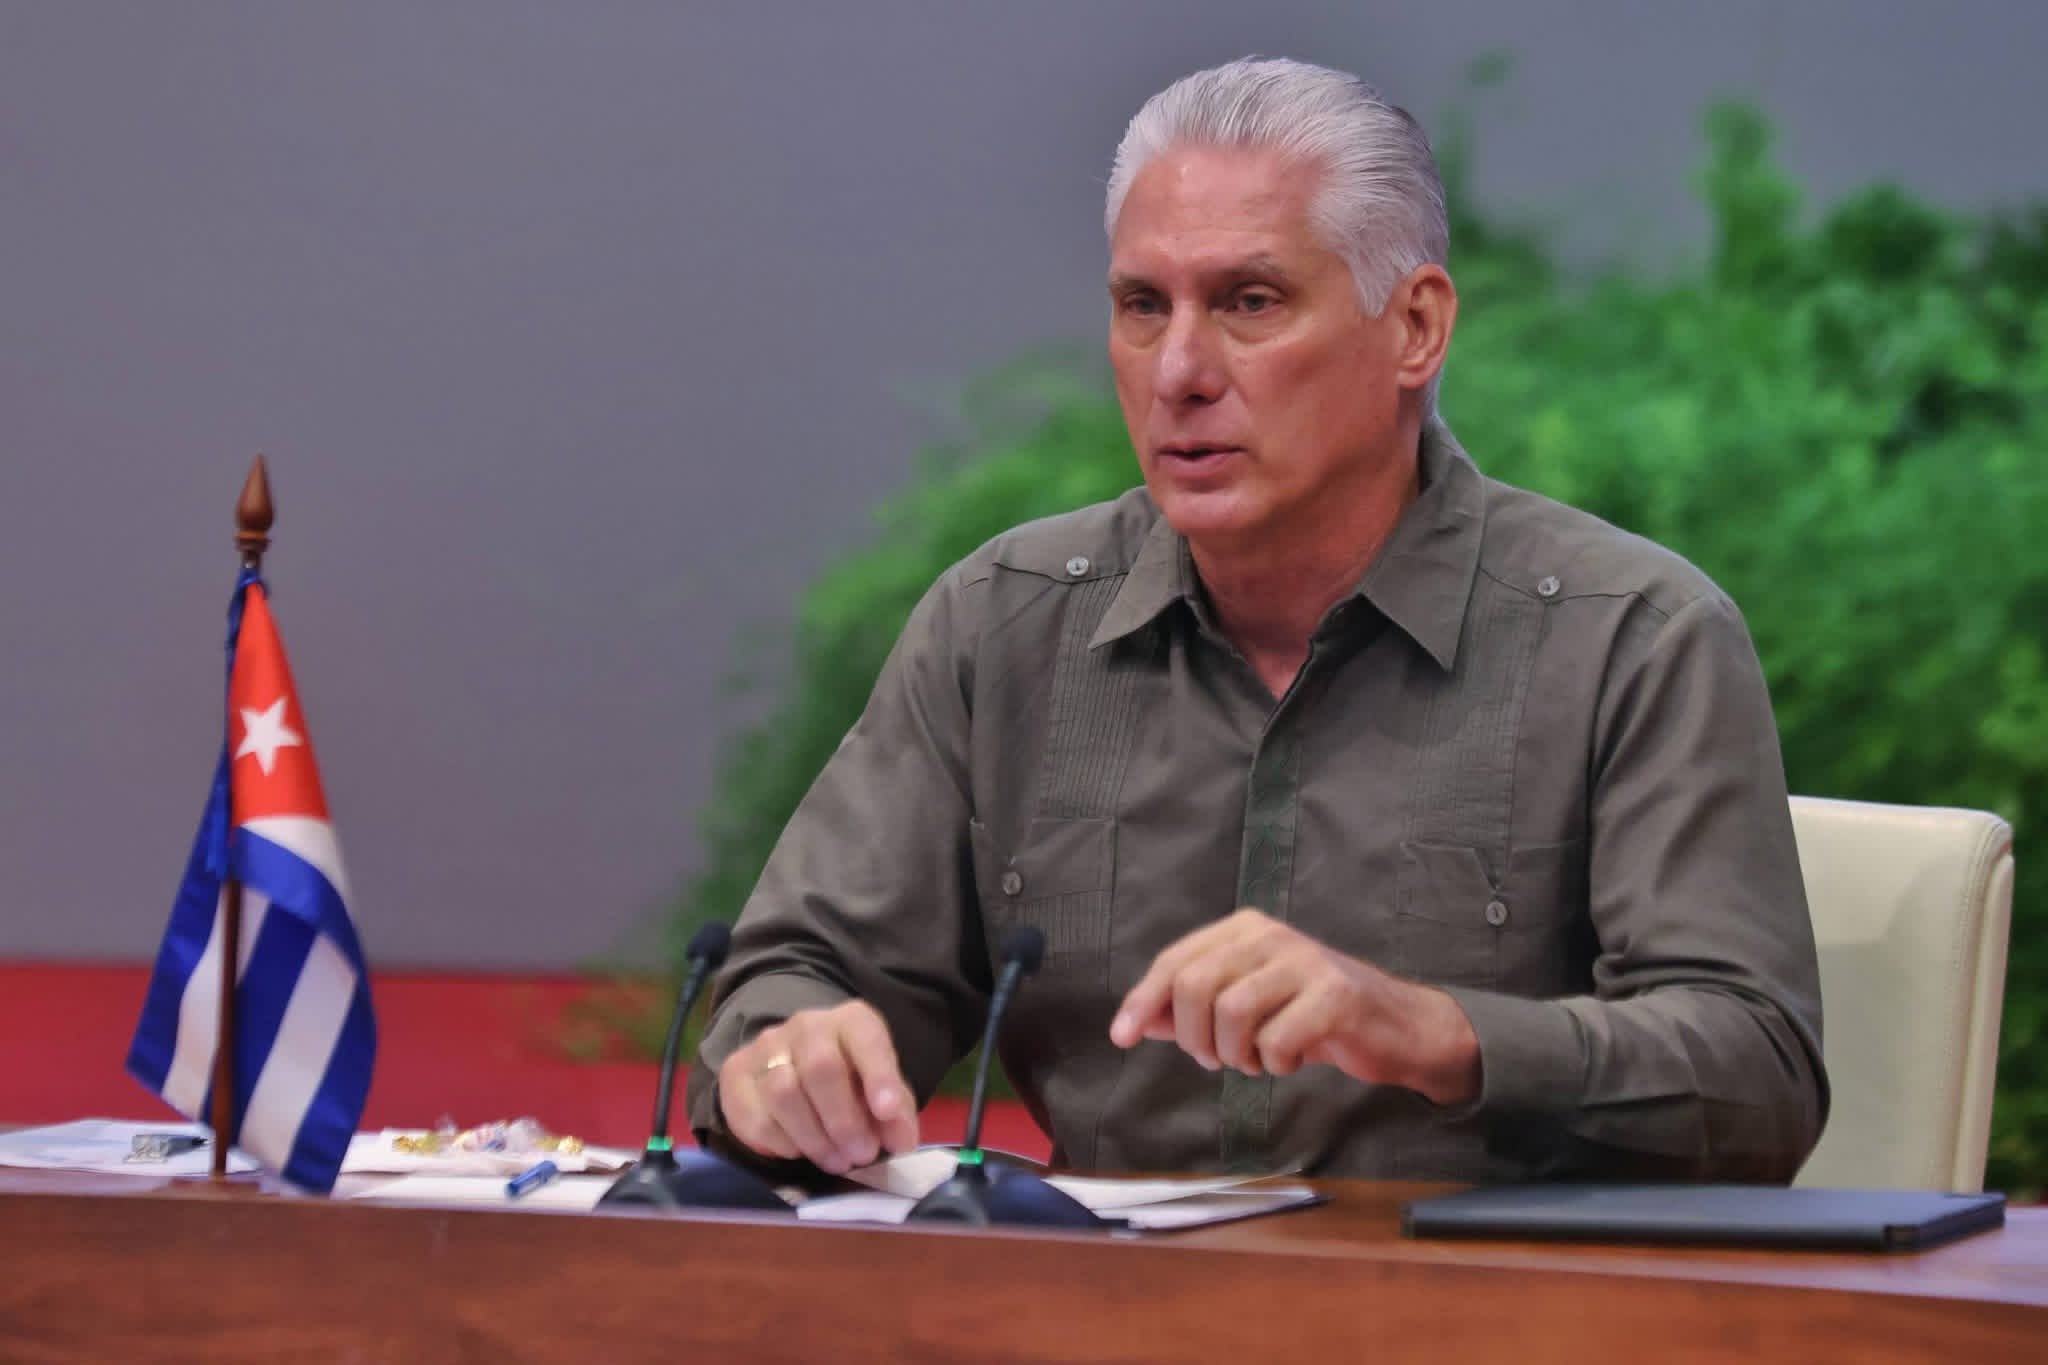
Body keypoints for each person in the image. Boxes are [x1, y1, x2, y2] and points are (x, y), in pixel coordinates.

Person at [684, 57, 1828, 1183]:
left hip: (1480, 1285)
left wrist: (1431, 1032)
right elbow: (794, 977)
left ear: (1415, 327)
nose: (1178, 370)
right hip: (1105, 1281)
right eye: (1143, 306)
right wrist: (786, 1060)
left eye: (1249, 302)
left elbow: (1756, 1075)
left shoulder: (1628, 636)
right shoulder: (1004, 626)